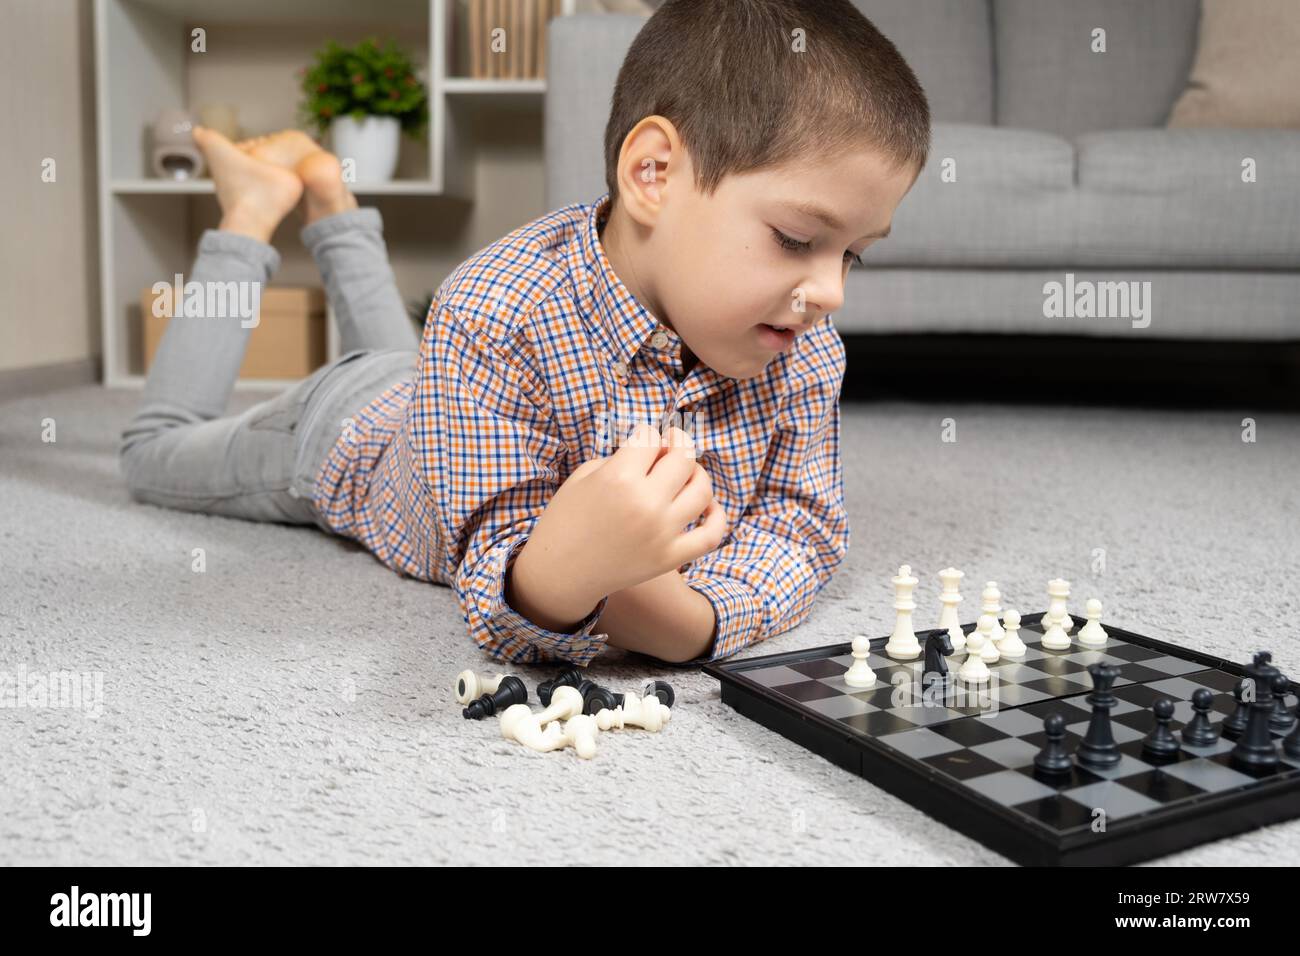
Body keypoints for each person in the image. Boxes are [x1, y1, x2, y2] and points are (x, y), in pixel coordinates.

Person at [120, 0, 930, 667]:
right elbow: (500, 593)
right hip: (349, 433)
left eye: (853, 255)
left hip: (437, 383)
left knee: (415, 357)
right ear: (653, 174)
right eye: (797, 239)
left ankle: (331, 201)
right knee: (154, 451)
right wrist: (562, 573)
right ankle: (253, 211)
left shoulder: (803, 341)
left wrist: (700, 617)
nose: (828, 291)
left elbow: (803, 524)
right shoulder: (489, 313)